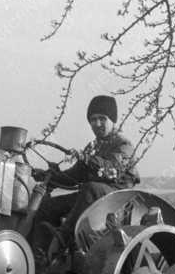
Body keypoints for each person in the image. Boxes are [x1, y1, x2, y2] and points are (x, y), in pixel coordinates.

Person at [30, 95, 139, 258]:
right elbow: (74, 176)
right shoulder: (93, 147)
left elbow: (112, 171)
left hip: (116, 200)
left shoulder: (124, 145)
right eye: (93, 120)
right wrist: (51, 176)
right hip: (90, 199)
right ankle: (38, 255)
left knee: (90, 188)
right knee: (47, 207)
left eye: (102, 119)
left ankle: (63, 238)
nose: (97, 124)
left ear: (113, 120)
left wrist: (86, 158)